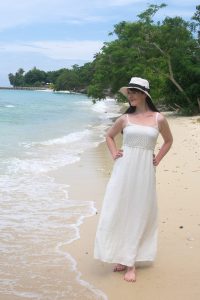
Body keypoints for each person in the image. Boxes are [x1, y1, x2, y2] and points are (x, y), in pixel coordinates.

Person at [94, 77, 173, 282]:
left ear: (144, 94)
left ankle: (131, 263)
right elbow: (109, 136)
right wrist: (114, 155)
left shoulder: (159, 119)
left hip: (145, 171)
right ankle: (123, 256)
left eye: (134, 92)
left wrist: (157, 159)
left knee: (139, 211)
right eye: (129, 93)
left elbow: (168, 141)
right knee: (119, 209)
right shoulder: (124, 119)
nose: (130, 96)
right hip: (124, 169)